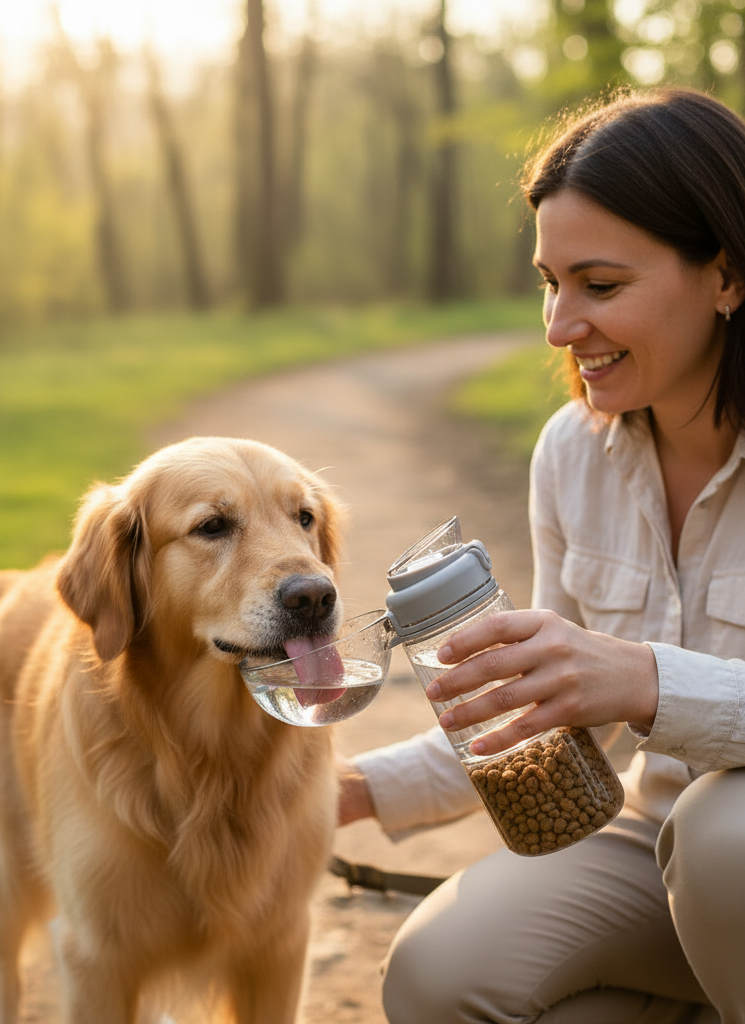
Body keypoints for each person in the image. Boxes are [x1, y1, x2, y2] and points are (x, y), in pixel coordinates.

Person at [339, 86, 745, 1024]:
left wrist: (645, 680)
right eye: (549, 284)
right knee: (440, 977)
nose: (561, 327)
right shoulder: (573, 451)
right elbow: (543, 716)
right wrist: (348, 794)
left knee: (726, 835)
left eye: (600, 286)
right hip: (656, 850)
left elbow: (624, 689)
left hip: (729, 854)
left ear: (726, 275)